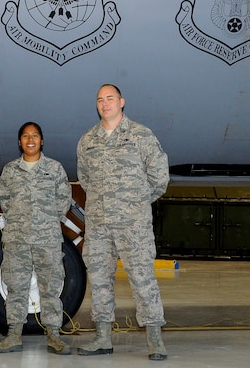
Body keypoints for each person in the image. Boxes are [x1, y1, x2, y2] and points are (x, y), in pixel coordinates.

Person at [76, 84, 169, 361]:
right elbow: (85, 180)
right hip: (99, 224)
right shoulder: (87, 140)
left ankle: (154, 339)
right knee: (100, 280)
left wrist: (136, 203)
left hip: (133, 226)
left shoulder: (140, 135)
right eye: (100, 100)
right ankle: (102, 337)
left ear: (122, 102)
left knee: (143, 278)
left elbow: (159, 177)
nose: (105, 104)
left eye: (110, 99)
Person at [0, 122, 73, 355]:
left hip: (47, 239)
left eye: (35, 135)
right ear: (19, 142)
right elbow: (4, 200)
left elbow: (63, 200)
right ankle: (14, 335)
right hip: (17, 240)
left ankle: (54, 336)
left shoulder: (54, 169)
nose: (30, 139)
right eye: (25, 136)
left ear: (42, 140)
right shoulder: (10, 170)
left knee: (50, 288)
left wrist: (45, 222)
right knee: (16, 287)